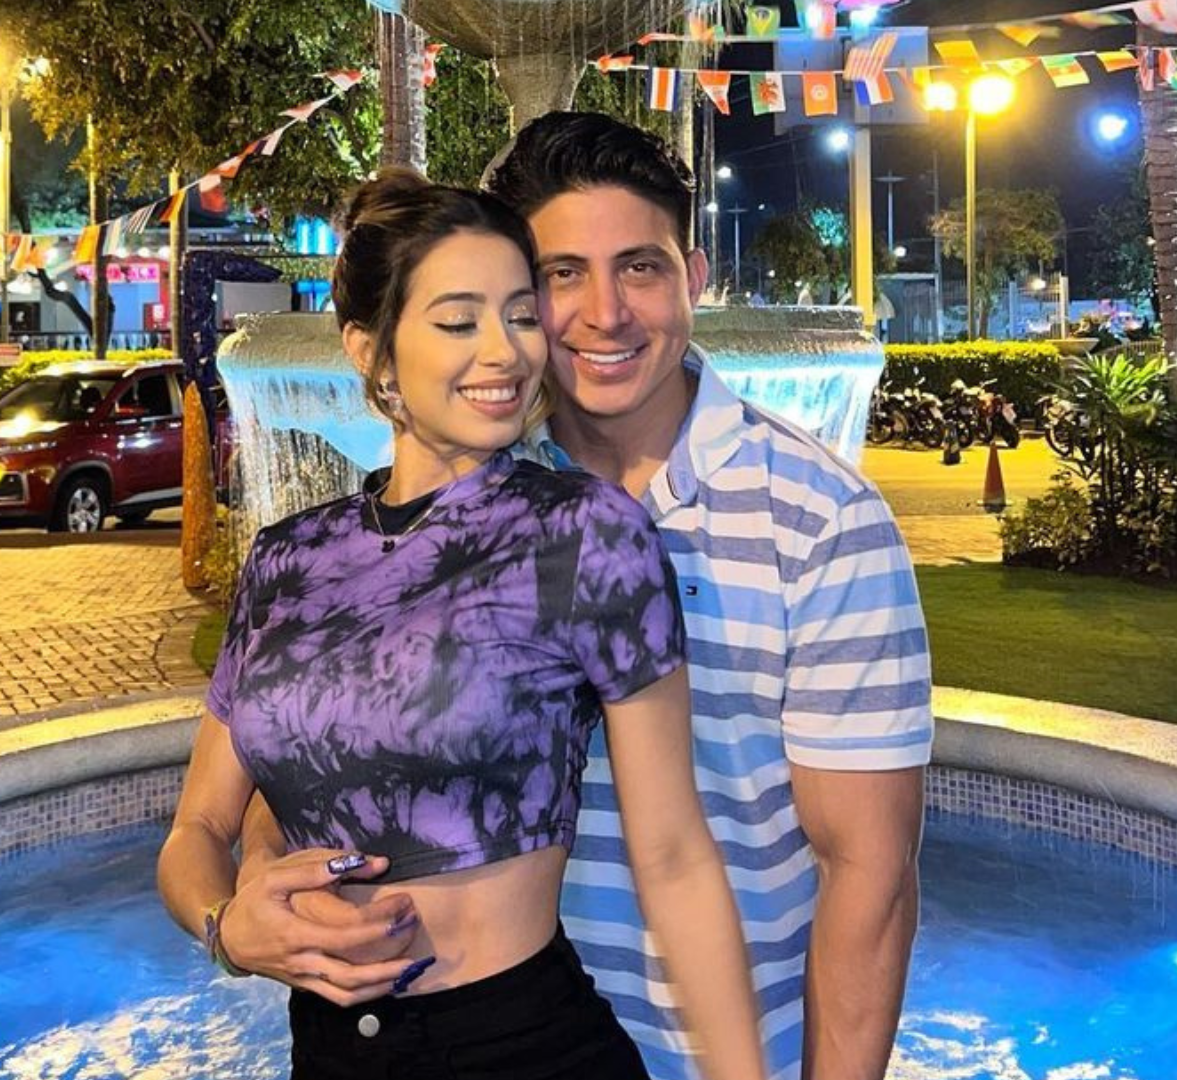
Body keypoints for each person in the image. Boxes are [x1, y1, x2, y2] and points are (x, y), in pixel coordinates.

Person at [222, 113, 934, 1080]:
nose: (606, 313)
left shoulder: (820, 518)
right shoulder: (461, 500)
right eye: (562, 275)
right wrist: (254, 891)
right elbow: (319, 753)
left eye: (640, 267)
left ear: (695, 276)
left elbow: (871, 875)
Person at [156, 169, 768, 1080]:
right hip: (328, 1054)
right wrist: (225, 928)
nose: (504, 352)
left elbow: (674, 856)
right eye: (458, 322)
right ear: (372, 351)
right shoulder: (286, 560)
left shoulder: (583, 533)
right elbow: (198, 829)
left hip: (522, 1048)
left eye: (520, 316)